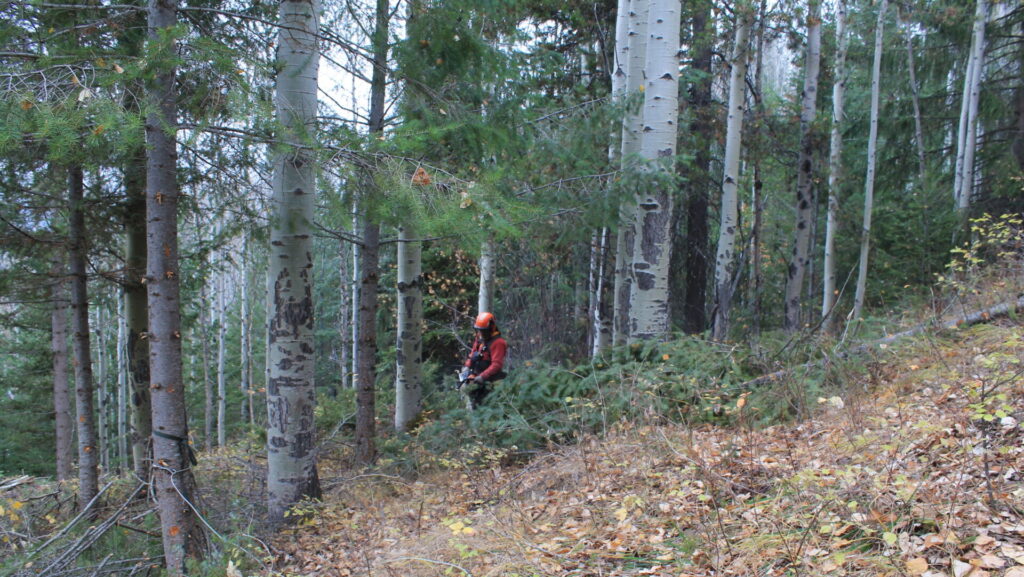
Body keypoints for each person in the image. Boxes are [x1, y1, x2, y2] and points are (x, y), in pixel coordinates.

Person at [460, 312, 508, 409]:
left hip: (491, 380)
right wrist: (467, 366)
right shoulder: (479, 338)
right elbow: (473, 353)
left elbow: (496, 365)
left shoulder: (498, 343)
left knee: (485, 405)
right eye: (479, 330)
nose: (481, 333)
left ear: (491, 328)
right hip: (477, 375)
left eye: (484, 331)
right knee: (468, 393)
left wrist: (482, 376)